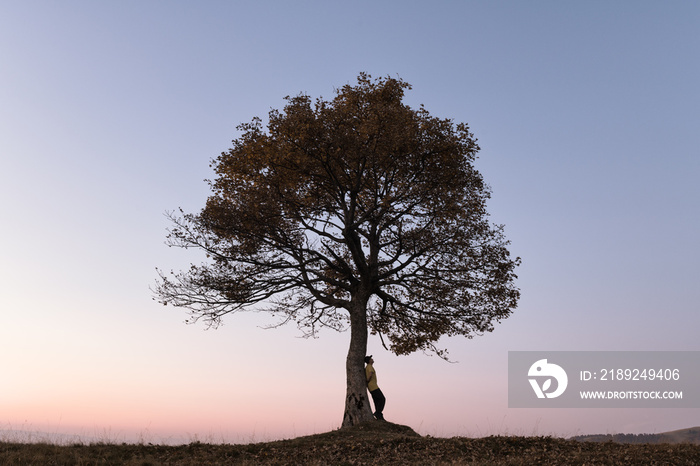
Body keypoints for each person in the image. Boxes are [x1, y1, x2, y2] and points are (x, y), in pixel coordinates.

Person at [364, 355, 386, 420]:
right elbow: (370, 374)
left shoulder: (367, 367)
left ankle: (379, 416)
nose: (372, 359)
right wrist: (367, 380)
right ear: (369, 361)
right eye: (371, 358)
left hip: (371, 387)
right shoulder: (369, 366)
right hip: (373, 386)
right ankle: (378, 412)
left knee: (376, 400)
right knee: (382, 399)